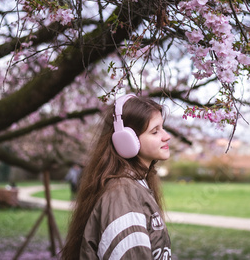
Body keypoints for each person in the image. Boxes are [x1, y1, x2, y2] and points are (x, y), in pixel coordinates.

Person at [60, 94, 172, 260]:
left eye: (162, 127)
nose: (166, 136)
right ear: (126, 141)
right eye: (155, 131)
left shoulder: (136, 185)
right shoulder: (122, 194)